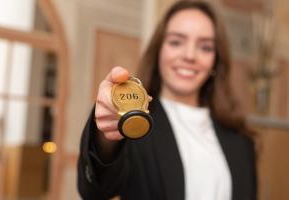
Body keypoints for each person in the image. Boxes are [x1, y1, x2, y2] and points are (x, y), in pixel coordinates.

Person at [77, 1, 257, 200]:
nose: (189, 55)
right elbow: (95, 190)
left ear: (216, 60)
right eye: (176, 42)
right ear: (158, 51)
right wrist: (106, 136)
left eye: (205, 47)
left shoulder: (240, 139)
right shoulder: (135, 126)